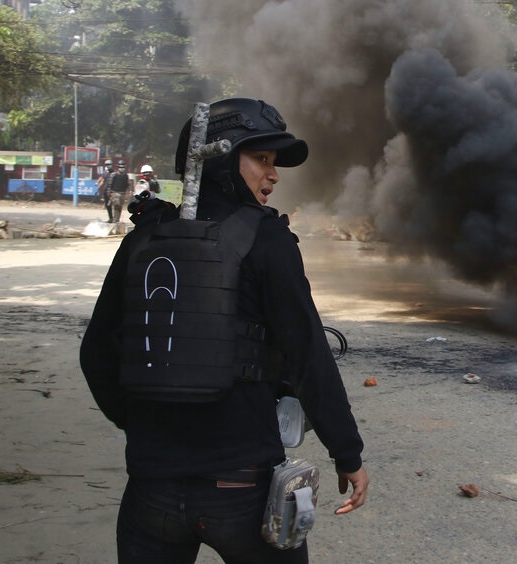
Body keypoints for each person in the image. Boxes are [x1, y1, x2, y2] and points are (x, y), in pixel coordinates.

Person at [80, 97, 368, 563]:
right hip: (242, 490)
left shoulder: (142, 241)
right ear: (222, 159)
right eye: (261, 159)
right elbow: (309, 356)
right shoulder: (267, 240)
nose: (273, 176)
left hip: (151, 489)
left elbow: (96, 354)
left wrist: (143, 426)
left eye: (274, 163)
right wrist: (347, 453)